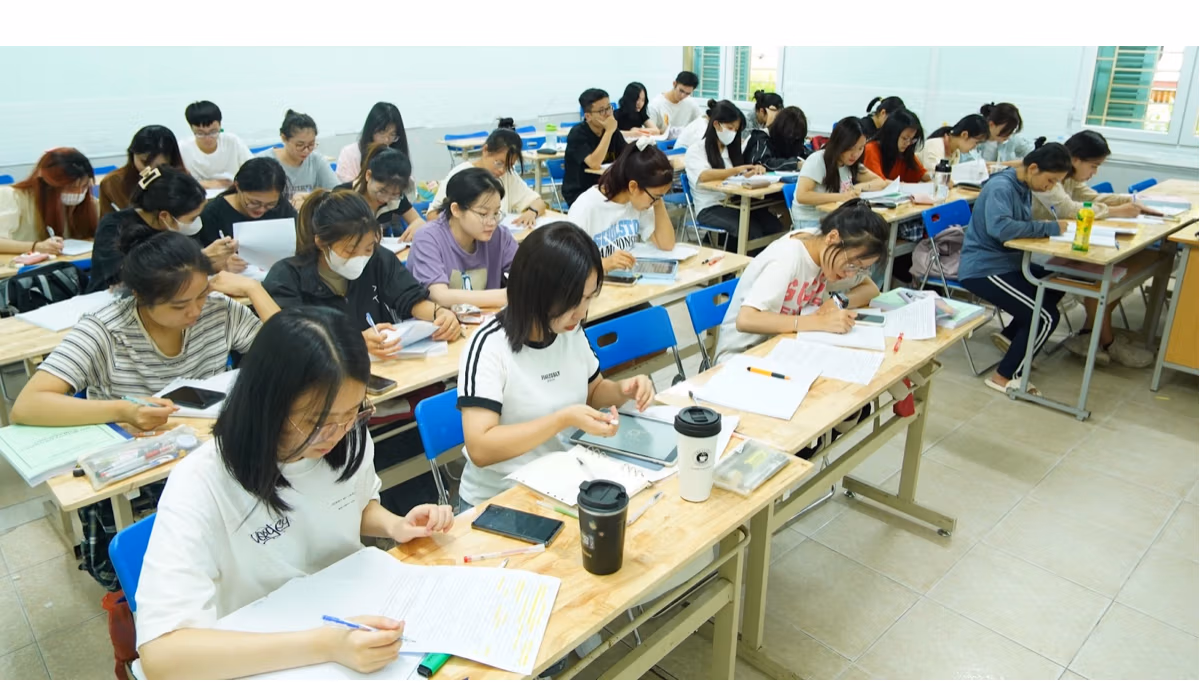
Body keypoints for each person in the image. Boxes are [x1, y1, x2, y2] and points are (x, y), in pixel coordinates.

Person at [133, 307, 454, 680]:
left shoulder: (347, 437)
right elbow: (161, 656)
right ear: (266, 403)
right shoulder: (201, 481)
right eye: (317, 422)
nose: (336, 433)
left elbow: (351, 504)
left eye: (352, 413)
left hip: (347, 621)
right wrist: (326, 645)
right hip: (260, 655)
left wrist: (394, 525)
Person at [456, 222, 654, 509]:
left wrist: (623, 390)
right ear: (537, 291)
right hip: (500, 499)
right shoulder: (489, 345)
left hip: (563, 484)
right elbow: (480, 448)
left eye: (588, 298)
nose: (581, 312)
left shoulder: (568, 330)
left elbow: (593, 391)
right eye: (573, 301)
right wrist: (563, 419)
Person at [11, 227, 277, 428]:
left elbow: (292, 355)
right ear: (139, 296)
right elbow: (26, 406)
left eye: (201, 295)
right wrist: (123, 411)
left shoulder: (218, 308)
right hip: (136, 454)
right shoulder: (105, 329)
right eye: (178, 306)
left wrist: (254, 289)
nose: (195, 310)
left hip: (209, 444)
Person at [263, 190, 460, 360]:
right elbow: (293, 342)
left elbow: (410, 299)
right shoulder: (287, 277)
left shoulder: (378, 259)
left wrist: (440, 314)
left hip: (383, 366)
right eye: (350, 250)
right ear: (321, 243)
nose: (360, 258)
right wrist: (354, 342)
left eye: (368, 248)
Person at [1033, 130, 1161, 368]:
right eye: (1093, 166)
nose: (1095, 173)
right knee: (1109, 275)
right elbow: (1070, 209)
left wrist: (1130, 201)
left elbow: (1093, 197)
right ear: (1075, 159)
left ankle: (1090, 333)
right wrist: (1117, 211)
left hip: (1062, 243)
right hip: (1041, 250)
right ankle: (1105, 340)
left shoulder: (1070, 179)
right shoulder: (1050, 177)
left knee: (1129, 266)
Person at [959, 143, 1074, 396]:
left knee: (1056, 282)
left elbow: (1018, 225)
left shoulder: (1022, 186)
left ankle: (1013, 337)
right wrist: (1049, 228)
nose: (1050, 187)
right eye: (1050, 180)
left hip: (1009, 262)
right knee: (1044, 316)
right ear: (1033, 168)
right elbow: (1001, 229)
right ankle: (1005, 377)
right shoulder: (1001, 187)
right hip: (985, 267)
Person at [714, 200, 888, 361]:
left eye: (860, 268)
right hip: (741, 356)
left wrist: (836, 302)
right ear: (832, 238)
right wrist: (818, 322)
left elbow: (870, 289)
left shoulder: (824, 247)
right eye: (852, 264)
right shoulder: (788, 259)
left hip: (785, 346)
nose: (851, 274)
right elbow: (746, 319)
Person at [88, 166, 235, 292]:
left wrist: (214, 264)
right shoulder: (114, 226)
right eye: (192, 218)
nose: (196, 222)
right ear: (165, 216)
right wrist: (198, 260)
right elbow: (125, 279)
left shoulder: (179, 228)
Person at [408, 167, 517, 309]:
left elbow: (529, 274)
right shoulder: (428, 238)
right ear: (456, 210)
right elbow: (439, 296)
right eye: (483, 214)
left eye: (496, 213)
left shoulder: (500, 236)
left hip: (486, 319)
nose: (492, 222)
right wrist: (506, 296)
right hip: (439, 321)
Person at [683, 100, 785, 247]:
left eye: (736, 130)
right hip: (709, 207)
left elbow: (741, 175)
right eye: (730, 128)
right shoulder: (696, 150)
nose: (733, 133)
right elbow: (704, 175)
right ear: (716, 124)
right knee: (751, 231)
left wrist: (755, 170)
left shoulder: (732, 150)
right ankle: (734, 260)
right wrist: (736, 170)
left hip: (734, 203)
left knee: (774, 226)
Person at [566, 140, 676, 272]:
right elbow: (568, 264)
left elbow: (666, 244)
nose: (655, 202)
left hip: (627, 278)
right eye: (655, 197)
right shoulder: (586, 207)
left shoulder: (636, 201)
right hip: (598, 281)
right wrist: (605, 264)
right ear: (633, 187)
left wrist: (658, 199)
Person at [426, 126, 546, 226]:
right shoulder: (461, 175)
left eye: (509, 166)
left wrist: (532, 212)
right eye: (499, 163)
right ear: (485, 150)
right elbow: (432, 216)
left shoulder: (508, 176)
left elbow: (538, 202)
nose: (502, 170)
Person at [196, 157, 296, 272]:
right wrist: (219, 265)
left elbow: (300, 239)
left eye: (270, 204)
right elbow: (199, 261)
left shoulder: (281, 207)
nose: (261, 209)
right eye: (254, 202)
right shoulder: (212, 213)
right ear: (237, 186)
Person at [790, 117, 889, 230]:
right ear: (839, 143)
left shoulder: (850, 164)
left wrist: (858, 187)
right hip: (811, 220)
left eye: (860, 148)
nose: (855, 154)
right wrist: (842, 197)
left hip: (836, 218)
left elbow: (880, 182)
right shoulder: (818, 160)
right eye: (851, 148)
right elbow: (802, 196)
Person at [0, 148, 98, 255]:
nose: (79, 193)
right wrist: (35, 247)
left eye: (84, 186)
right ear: (48, 184)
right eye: (71, 187)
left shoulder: (89, 203)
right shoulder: (13, 196)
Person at [336, 144, 426, 241]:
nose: (386, 199)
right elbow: (332, 234)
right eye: (382, 191)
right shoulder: (342, 196)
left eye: (394, 194)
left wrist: (419, 224)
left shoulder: (396, 198)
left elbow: (417, 220)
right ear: (368, 175)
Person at [99, 126, 186, 218]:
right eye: (144, 162)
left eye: (159, 166)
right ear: (132, 155)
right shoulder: (112, 182)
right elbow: (106, 221)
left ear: (171, 161)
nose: (150, 170)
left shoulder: (182, 181)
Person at [562, 88, 627, 206]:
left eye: (609, 108)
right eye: (602, 111)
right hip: (581, 193)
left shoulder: (613, 132)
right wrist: (608, 132)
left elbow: (627, 155)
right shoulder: (577, 134)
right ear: (588, 116)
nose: (608, 114)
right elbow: (594, 164)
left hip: (607, 188)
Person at [257, 110, 339, 198]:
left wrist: (310, 198)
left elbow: (338, 192)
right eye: (300, 145)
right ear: (284, 138)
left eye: (311, 144)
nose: (306, 150)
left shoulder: (316, 160)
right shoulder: (263, 162)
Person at [179, 101, 253, 190]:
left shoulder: (232, 142)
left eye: (213, 132)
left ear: (220, 125)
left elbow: (254, 169)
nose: (208, 139)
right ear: (191, 128)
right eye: (200, 133)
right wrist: (211, 184)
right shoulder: (182, 148)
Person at [336, 101, 409, 184]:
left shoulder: (396, 155)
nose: (386, 140)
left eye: (392, 135)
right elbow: (345, 188)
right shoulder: (350, 154)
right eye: (382, 132)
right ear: (371, 130)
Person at [862, 109, 929, 182]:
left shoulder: (905, 152)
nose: (908, 143)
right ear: (892, 135)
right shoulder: (871, 149)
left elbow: (923, 175)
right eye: (905, 138)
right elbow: (879, 183)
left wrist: (936, 175)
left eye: (912, 140)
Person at [974, 102, 1043, 167]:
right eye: (1005, 130)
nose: (1008, 135)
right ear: (991, 124)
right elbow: (973, 164)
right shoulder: (974, 140)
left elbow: (1033, 156)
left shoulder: (1013, 138)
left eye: (1012, 130)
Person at [745, 105, 809, 172]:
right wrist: (795, 164)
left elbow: (805, 154)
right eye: (791, 136)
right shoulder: (761, 137)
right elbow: (762, 162)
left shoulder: (795, 141)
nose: (793, 141)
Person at [919, 114, 989, 172]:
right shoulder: (935, 145)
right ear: (964, 134)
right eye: (976, 142)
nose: (975, 147)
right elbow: (936, 176)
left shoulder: (956, 152)